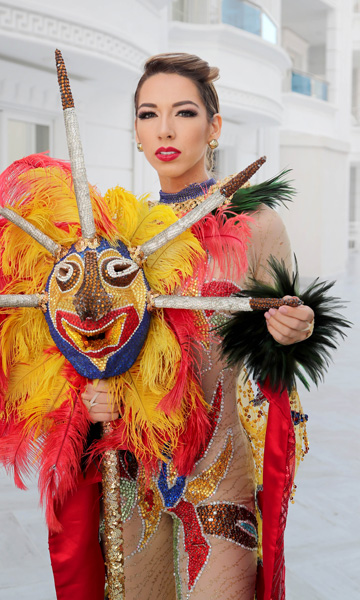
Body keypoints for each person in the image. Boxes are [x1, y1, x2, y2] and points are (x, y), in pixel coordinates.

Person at [81, 53, 315, 600]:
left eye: (183, 113)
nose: (164, 129)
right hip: (135, 466)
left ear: (213, 127)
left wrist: (295, 328)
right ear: (136, 131)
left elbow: (284, 332)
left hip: (221, 468)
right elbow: (93, 346)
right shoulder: (120, 239)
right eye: (148, 114)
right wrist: (95, 394)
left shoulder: (254, 224)